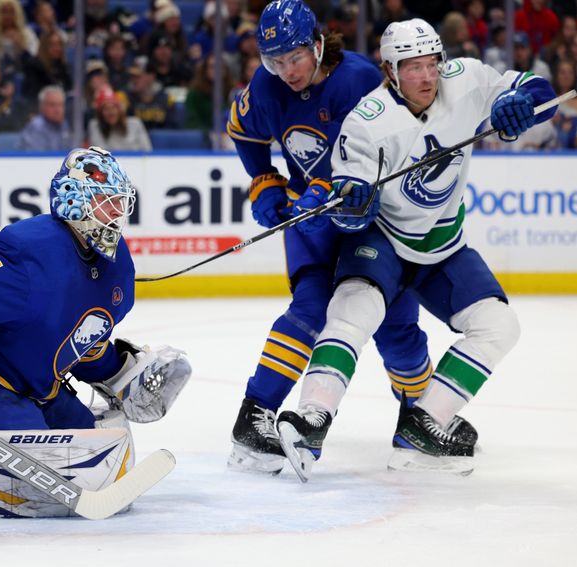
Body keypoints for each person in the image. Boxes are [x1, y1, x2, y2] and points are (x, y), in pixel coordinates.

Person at [278, 18, 556, 479]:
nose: (427, 77)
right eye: (413, 68)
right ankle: (311, 419)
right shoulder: (366, 121)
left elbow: (539, 90)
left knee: (499, 325)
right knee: (352, 310)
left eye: (432, 64)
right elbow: (350, 197)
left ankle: (423, 425)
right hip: (383, 239)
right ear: (390, 70)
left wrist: (522, 102)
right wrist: (352, 202)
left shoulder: (465, 79)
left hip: (444, 244)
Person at [0, 146, 190, 515]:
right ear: (74, 202)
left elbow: (80, 341)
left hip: (41, 388)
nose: (117, 214)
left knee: (94, 445)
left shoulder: (117, 268)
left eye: (120, 203)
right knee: (34, 448)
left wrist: (119, 371)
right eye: (106, 202)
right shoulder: (34, 252)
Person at [225, 0, 456, 474]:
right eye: (275, 61)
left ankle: (419, 418)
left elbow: (381, 152)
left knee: (397, 326)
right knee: (310, 310)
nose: (286, 71)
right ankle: (254, 417)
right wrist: (264, 178)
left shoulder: (358, 80)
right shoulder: (267, 87)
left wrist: (328, 188)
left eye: (294, 57)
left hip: (372, 222)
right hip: (312, 226)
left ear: (317, 45)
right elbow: (241, 127)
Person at [88, 85, 152, 151]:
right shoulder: (95, 126)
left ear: (120, 110)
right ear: (100, 113)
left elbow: (147, 151)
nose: (111, 112)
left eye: (114, 107)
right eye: (105, 108)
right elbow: (97, 153)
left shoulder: (135, 124)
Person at [18, 85, 71, 151]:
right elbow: (38, 158)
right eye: (52, 105)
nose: (58, 110)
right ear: (42, 107)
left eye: (60, 105)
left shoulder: (64, 124)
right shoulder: (36, 127)